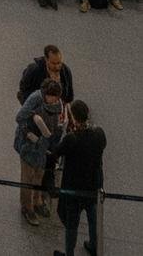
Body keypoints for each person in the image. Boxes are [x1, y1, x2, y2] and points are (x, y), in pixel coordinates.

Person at [50, 100, 106, 256]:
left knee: (72, 224)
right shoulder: (99, 134)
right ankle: (94, 245)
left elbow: (57, 152)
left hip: (73, 188)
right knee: (93, 217)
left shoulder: (71, 138)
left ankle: (69, 253)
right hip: (93, 184)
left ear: (73, 118)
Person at [14, 79, 65, 226]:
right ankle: (27, 207)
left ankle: (37, 200)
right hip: (29, 144)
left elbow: (57, 123)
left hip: (44, 145)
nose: (54, 101)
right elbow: (19, 118)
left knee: (39, 174)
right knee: (27, 176)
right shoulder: (35, 99)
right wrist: (33, 132)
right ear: (45, 94)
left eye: (57, 98)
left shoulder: (57, 103)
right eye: (52, 97)